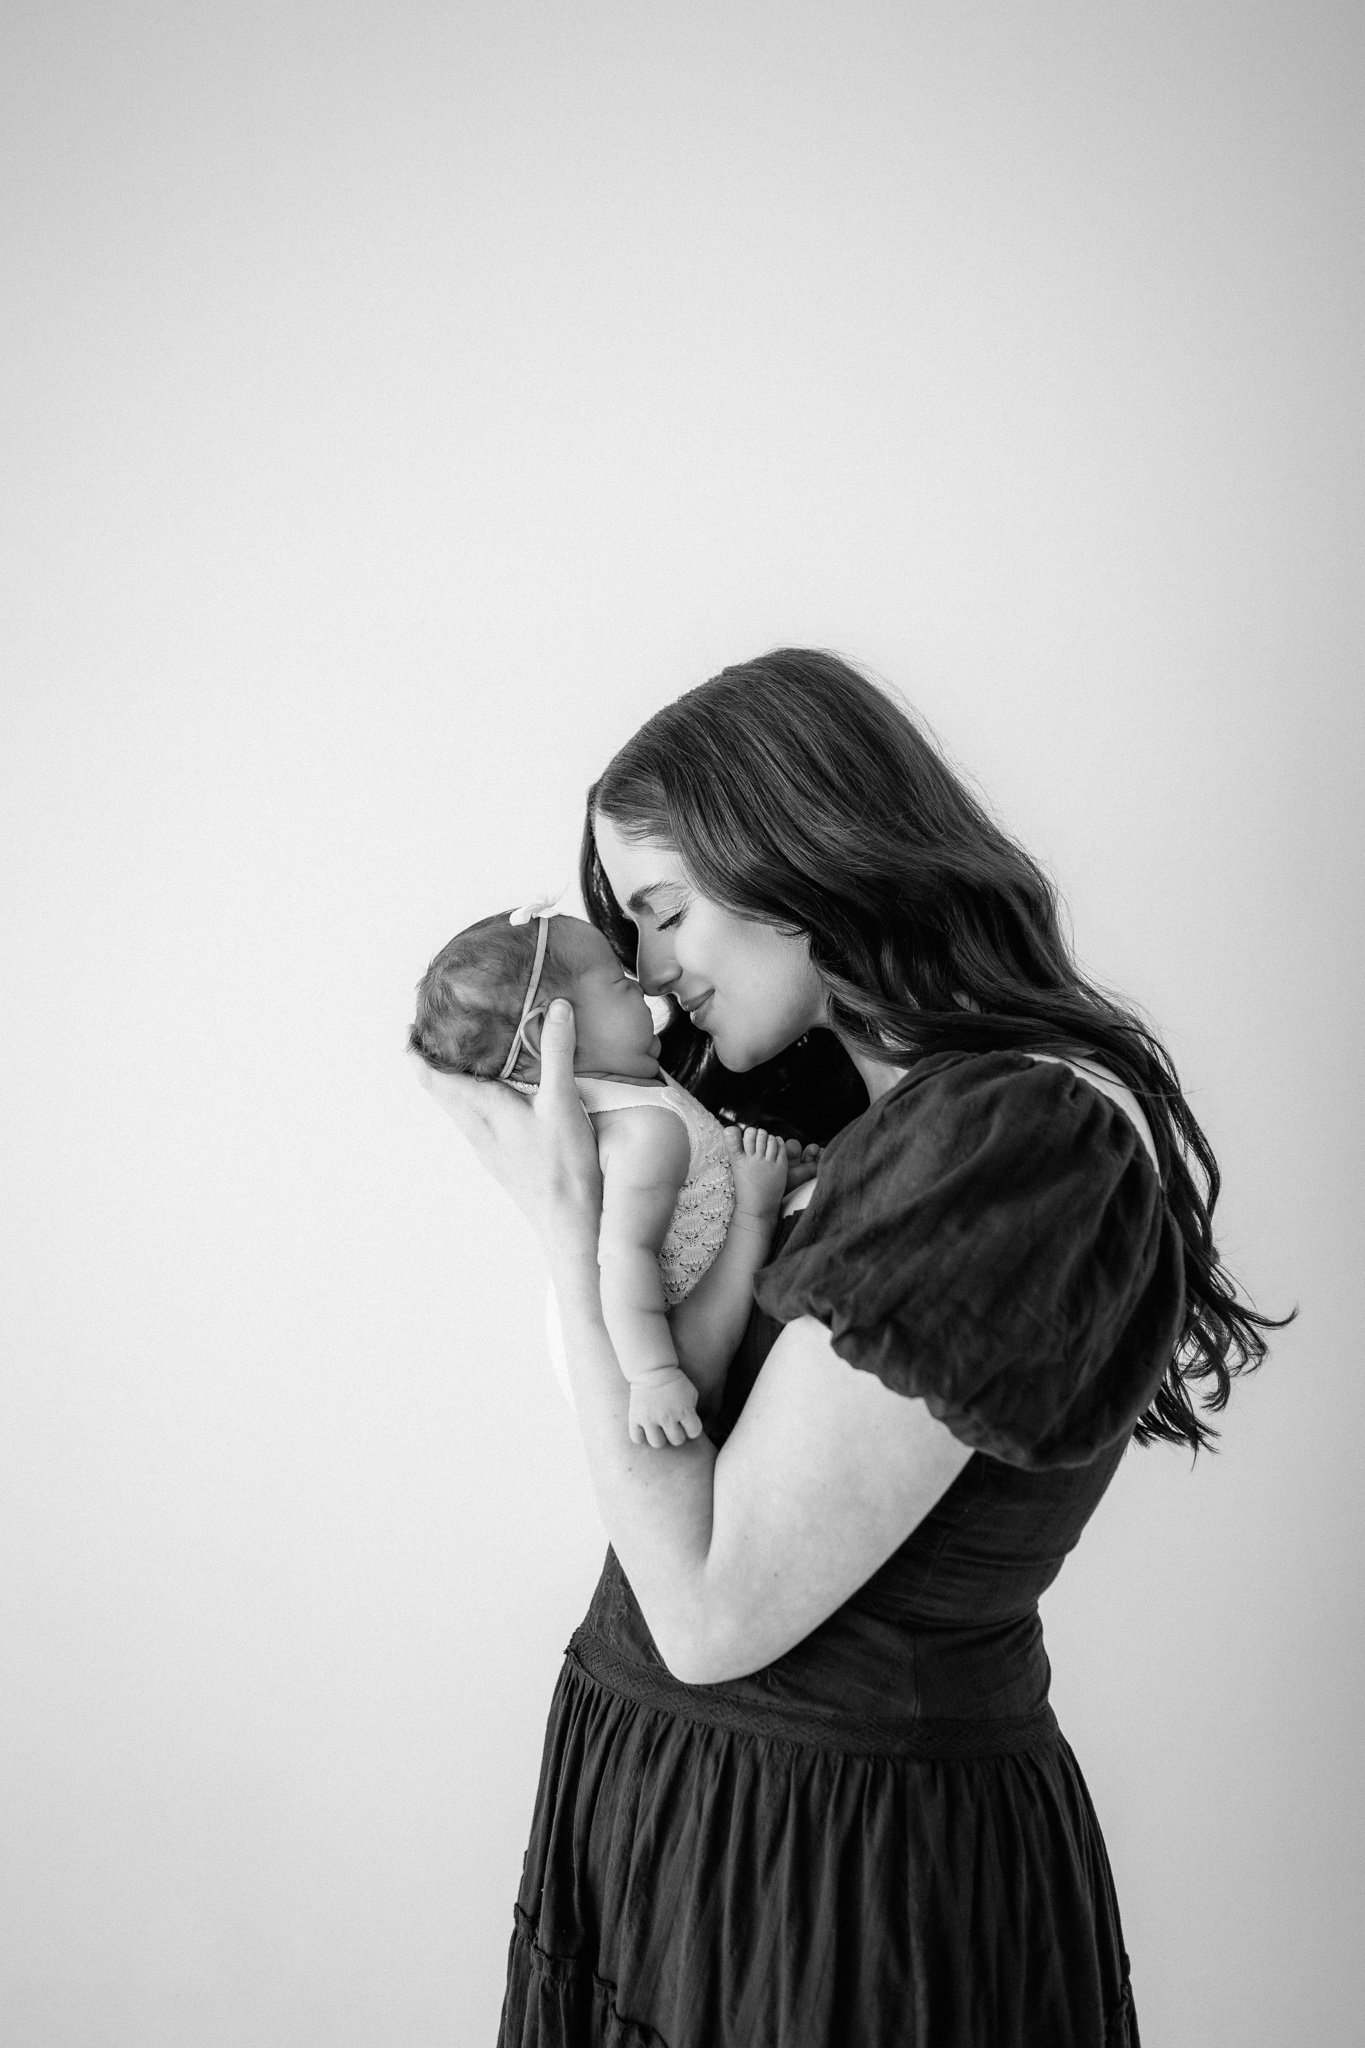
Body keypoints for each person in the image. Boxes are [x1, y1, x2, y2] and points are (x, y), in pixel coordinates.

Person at [412, 649, 1286, 2048]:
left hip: (836, 1883)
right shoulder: (834, 1133)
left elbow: (706, 1612)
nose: (649, 969)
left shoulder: (1012, 1141)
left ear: (800, 851)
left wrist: (566, 1232)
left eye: (666, 910)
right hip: (689, 1834)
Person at [409, 901, 819, 1445]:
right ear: (551, 1032)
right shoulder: (642, 1131)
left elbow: (684, 1187)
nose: (645, 989)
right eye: (618, 982)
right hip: (649, 1337)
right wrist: (655, 1377)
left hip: (628, 1319)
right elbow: (626, 1255)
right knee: (751, 1222)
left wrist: (736, 1164)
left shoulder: (621, 1093)